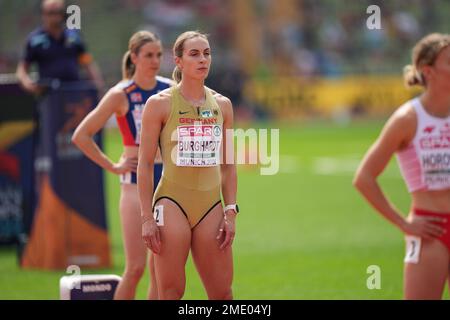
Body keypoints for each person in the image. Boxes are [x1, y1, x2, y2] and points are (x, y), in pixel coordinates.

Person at [138, 31, 238, 300]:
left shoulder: (223, 105)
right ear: (178, 61)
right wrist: (147, 218)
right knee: (170, 292)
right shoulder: (159, 105)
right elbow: (145, 164)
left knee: (222, 294)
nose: (203, 59)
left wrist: (231, 212)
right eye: (194, 54)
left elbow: (228, 165)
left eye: (206, 53)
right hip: (171, 203)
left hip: (211, 206)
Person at [72, 31, 172, 299]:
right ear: (135, 57)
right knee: (136, 267)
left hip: (168, 186)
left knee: (160, 268)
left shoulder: (169, 90)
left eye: (159, 55)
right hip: (134, 184)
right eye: (149, 55)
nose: (155, 61)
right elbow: (81, 134)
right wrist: (112, 166)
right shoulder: (121, 93)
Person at [354, 33, 450, 299]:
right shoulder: (408, 118)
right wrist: (403, 223)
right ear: (428, 71)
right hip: (431, 231)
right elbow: (364, 178)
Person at [16, 0, 103, 95]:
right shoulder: (35, 40)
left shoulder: (74, 36)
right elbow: (22, 69)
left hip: (75, 93)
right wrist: (28, 84)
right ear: (43, 14)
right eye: (51, 13)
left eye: (58, 12)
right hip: (49, 96)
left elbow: (87, 62)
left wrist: (98, 85)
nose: (55, 17)